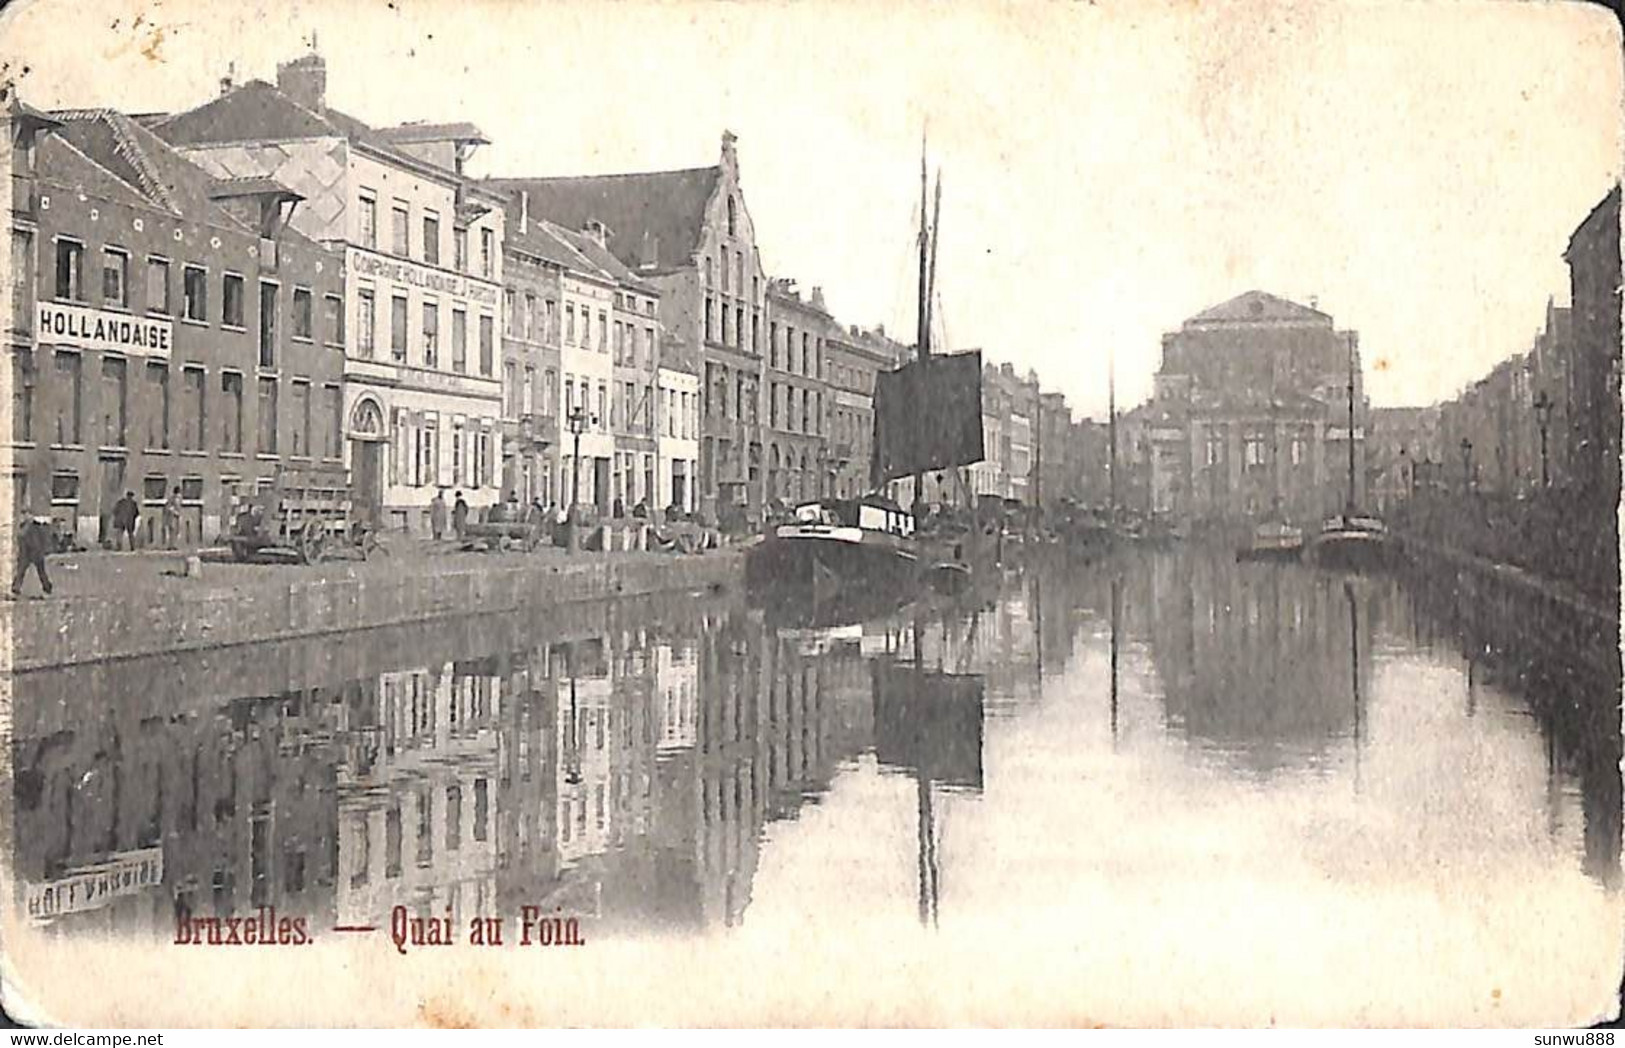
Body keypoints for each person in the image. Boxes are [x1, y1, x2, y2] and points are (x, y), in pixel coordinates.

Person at [12, 515, 54, 598]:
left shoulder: (27, 530)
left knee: (24, 571)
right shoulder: (30, 529)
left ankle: (16, 586)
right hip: (31, 553)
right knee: (39, 571)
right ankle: (47, 586)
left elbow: (25, 541)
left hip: (31, 552)